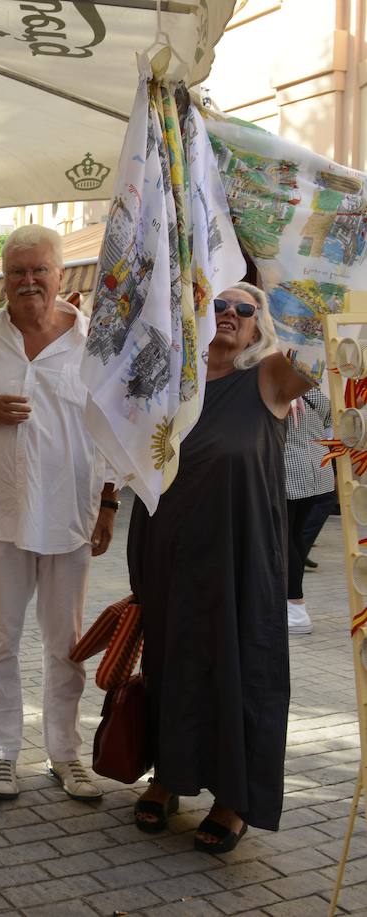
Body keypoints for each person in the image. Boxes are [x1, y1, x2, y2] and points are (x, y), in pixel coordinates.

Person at [0, 225, 115, 802]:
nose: (28, 281)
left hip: (68, 515)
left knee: (68, 644)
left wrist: (108, 505)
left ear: (62, 275)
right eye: (16, 272)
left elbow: (110, 430)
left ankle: (66, 755)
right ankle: (2, 752)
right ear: (3, 279)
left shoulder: (94, 341)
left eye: (39, 270)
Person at [129, 282, 313, 852]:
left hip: (242, 548)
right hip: (167, 543)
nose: (230, 315)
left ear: (260, 324)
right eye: (218, 305)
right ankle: (168, 777)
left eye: (244, 309)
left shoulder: (270, 375)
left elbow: (324, 350)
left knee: (241, 661)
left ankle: (234, 797)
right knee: (172, 655)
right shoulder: (170, 380)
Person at [284, 388, 334, 634]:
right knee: (295, 541)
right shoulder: (313, 392)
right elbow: (330, 420)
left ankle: (295, 606)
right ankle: (290, 604)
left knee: (286, 541)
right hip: (320, 474)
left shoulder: (279, 390)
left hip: (290, 474)